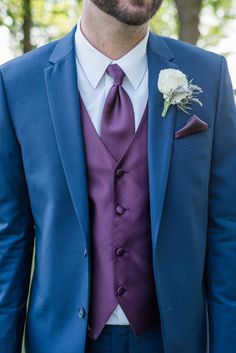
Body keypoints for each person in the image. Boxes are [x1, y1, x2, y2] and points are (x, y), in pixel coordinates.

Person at [0, 0, 236, 352]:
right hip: (62, 339)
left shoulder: (208, 74)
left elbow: (226, 233)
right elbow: (10, 239)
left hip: (174, 339)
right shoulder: (16, 83)